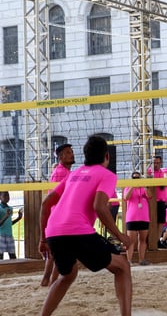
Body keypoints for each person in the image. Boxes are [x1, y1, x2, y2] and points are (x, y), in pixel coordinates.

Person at [38, 135, 132, 316]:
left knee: (68, 275)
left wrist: (43, 239)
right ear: (107, 156)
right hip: (77, 231)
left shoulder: (74, 174)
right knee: (123, 266)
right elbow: (99, 206)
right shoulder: (107, 175)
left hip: (54, 232)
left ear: (85, 155)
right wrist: (121, 236)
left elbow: (45, 204)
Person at [41, 143, 75, 287]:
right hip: (58, 216)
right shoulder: (60, 172)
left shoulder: (66, 171)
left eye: (72, 152)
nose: (72, 154)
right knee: (57, 252)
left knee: (56, 253)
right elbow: (55, 197)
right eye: (68, 152)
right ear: (60, 157)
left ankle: (48, 281)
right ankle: (49, 281)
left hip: (61, 215)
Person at [123, 171, 152, 266]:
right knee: (131, 240)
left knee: (143, 239)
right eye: (134, 178)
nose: (136, 179)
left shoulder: (143, 188)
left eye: (138, 178)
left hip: (144, 217)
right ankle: (129, 260)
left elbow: (149, 196)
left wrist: (145, 185)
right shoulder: (127, 187)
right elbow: (126, 198)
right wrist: (133, 186)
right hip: (132, 217)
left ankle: (141, 259)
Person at [147, 155, 167, 249]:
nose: (155, 164)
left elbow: (162, 186)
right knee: (151, 221)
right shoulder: (149, 172)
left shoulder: (162, 173)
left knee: (160, 222)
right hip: (151, 201)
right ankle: (150, 240)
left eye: (157, 163)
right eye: (154, 162)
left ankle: (157, 240)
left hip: (161, 201)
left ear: (160, 163)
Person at [0, 191, 23, 260]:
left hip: (9, 235)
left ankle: (15, 271)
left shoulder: (10, 208)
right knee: (0, 257)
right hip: (1, 235)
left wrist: (19, 218)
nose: (7, 198)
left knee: (13, 256)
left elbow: (9, 223)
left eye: (8, 196)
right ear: (0, 197)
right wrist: (6, 216)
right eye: (5, 196)